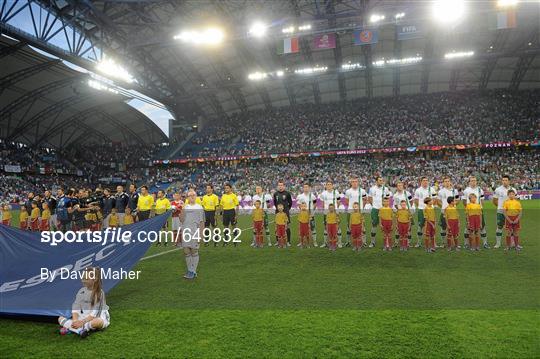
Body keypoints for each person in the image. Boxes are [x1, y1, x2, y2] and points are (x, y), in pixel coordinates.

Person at [58, 267, 110, 338]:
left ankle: (72, 328)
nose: (83, 281)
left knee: (97, 322)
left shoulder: (100, 293)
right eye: (83, 278)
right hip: (84, 317)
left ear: (95, 279)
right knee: (60, 318)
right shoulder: (81, 291)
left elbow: (95, 314)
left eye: (86, 279)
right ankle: (79, 330)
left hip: (98, 317)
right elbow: (76, 306)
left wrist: (81, 322)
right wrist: (75, 320)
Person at [180, 190, 204, 279]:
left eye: (194, 195)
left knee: (194, 251)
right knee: (186, 251)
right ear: (187, 197)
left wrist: (201, 234)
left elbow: (201, 222)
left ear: (196, 196)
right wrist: (182, 209)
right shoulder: (185, 207)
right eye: (190, 195)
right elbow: (181, 220)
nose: (192, 196)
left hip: (195, 231)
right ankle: (190, 270)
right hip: (186, 231)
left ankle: (193, 271)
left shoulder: (199, 207)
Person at [462, 176, 488, 249]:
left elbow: (482, 200)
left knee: (482, 227)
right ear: (469, 182)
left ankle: (485, 243)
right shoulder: (466, 190)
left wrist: (479, 207)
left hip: (478, 211)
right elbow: (464, 201)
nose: (473, 182)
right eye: (472, 180)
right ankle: (466, 244)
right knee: (468, 227)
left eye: (475, 180)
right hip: (470, 212)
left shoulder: (480, 190)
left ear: (476, 181)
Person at [367, 176, 392, 248]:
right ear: (376, 181)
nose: (381, 181)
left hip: (383, 209)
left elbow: (388, 198)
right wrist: (374, 205)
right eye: (380, 180)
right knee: (374, 224)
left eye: (382, 180)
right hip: (375, 209)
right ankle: (372, 242)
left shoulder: (386, 189)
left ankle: (386, 243)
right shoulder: (372, 189)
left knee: (386, 226)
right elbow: (370, 198)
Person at [493, 175, 517, 249]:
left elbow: (515, 200)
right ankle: (498, 243)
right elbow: (494, 200)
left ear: (509, 181)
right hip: (501, 211)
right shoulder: (498, 189)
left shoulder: (513, 189)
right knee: (499, 226)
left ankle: (513, 243)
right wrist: (500, 207)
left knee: (512, 227)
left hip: (511, 212)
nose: (504, 181)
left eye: (506, 180)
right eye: (503, 180)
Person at [414, 177, 437, 248]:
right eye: (424, 180)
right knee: (420, 225)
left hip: (430, 210)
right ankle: (419, 242)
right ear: (421, 181)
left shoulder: (432, 189)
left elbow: (435, 199)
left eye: (426, 180)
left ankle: (433, 243)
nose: (425, 182)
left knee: (432, 226)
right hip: (421, 210)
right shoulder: (418, 190)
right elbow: (416, 200)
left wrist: (431, 206)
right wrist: (421, 206)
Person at [345, 177, 368, 247]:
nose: (354, 183)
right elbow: (346, 200)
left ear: (358, 182)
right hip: (350, 211)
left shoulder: (362, 191)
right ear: (351, 183)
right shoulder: (348, 191)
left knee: (362, 226)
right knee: (349, 226)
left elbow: (365, 199)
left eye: (356, 181)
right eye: (353, 182)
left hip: (360, 211)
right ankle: (348, 242)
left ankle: (364, 242)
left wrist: (361, 208)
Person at [320, 181, 343, 248]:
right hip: (326, 213)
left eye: (330, 184)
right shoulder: (323, 193)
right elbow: (322, 203)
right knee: (325, 227)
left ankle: (339, 243)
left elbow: (338, 202)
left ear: (332, 186)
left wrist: (336, 210)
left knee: (337, 227)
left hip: (335, 212)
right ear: (326, 186)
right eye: (328, 184)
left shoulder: (336, 192)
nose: (329, 186)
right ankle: (325, 243)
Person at [437, 176, 458, 248]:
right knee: (443, 227)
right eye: (445, 181)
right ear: (443, 183)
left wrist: (453, 205)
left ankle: (454, 244)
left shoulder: (454, 191)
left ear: (450, 182)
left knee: (454, 228)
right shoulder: (440, 191)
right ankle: (443, 243)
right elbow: (438, 201)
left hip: (453, 213)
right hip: (444, 212)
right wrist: (443, 207)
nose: (447, 183)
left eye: (448, 181)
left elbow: (457, 200)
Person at [393, 182, 414, 247]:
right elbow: (395, 204)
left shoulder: (407, 193)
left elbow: (411, 201)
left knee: (409, 228)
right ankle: (396, 243)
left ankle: (408, 242)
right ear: (396, 187)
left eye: (401, 185)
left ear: (403, 186)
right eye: (398, 185)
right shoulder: (395, 195)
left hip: (407, 212)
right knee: (398, 228)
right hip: (400, 213)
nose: (399, 186)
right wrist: (399, 210)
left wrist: (408, 209)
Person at [273, 181, 293, 246]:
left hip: (285, 212)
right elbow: (275, 203)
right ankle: (278, 241)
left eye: (281, 185)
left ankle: (288, 241)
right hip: (277, 212)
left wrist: (287, 209)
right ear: (277, 186)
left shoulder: (287, 193)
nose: (280, 186)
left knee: (287, 226)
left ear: (284, 186)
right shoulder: (275, 194)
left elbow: (290, 203)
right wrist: (278, 209)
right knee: (277, 226)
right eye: (279, 185)